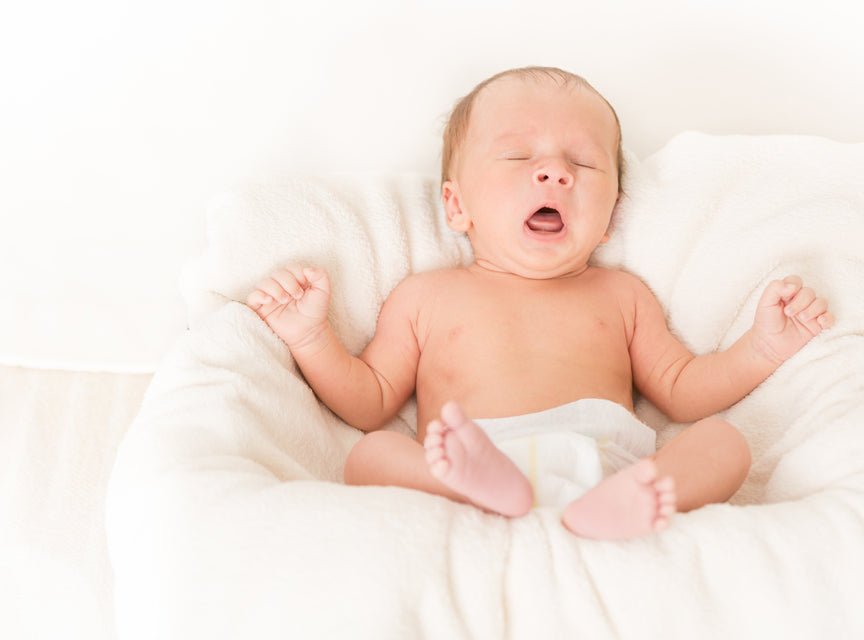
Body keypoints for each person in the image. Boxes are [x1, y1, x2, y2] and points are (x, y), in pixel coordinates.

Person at [246, 66, 834, 540]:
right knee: (371, 454)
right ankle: (482, 492)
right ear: (456, 206)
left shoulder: (620, 295)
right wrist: (310, 338)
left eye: (581, 162)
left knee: (723, 443)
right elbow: (369, 401)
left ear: (610, 218)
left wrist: (760, 348)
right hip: (473, 458)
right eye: (519, 158)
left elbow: (683, 388)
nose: (554, 173)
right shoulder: (426, 296)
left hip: (610, 470)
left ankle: (625, 508)